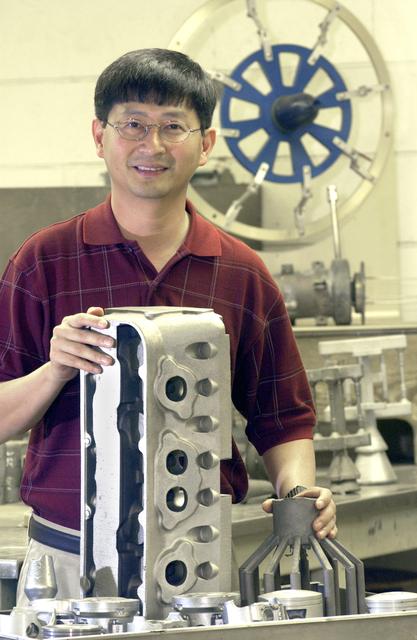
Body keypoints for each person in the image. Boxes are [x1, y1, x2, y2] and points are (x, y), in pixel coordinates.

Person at [0, 48, 336, 604]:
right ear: (99, 135)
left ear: (205, 144)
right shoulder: (44, 261)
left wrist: (299, 491)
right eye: (132, 124)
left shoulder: (241, 272)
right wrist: (55, 370)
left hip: (199, 554)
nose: (151, 145)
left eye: (173, 126)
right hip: (67, 557)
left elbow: (283, 419)